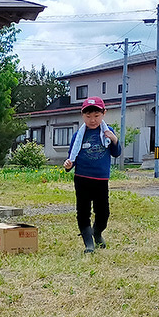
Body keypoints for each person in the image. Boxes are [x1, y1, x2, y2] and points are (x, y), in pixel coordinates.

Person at [62, 96, 121, 254]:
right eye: (88, 116)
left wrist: (114, 140)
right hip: (82, 179)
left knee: (103, 213)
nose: (92, 120)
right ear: (82, 115)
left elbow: (116, 153)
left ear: (103, 113)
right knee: (83, 212)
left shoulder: (108, 132)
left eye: (96, 116)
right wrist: (68, 165)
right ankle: (89, 244)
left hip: (101, 180)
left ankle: (97, 232)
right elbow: (71, 158)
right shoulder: (78, 135)